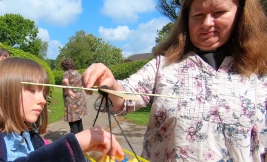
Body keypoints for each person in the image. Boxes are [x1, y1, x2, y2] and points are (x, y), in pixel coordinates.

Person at [82, 0, 267, 161]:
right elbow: (125, 97)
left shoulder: (260, 73)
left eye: (219, 12)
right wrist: (111, 84)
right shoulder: (164, 65)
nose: (207, 23)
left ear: (242, 14)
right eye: (198, 14)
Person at [0, 57, 124, 161]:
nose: (43, 100)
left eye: (44, 93)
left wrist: (82, 150)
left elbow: (44, 153)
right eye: (32, 90)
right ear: (5, 91)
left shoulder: (30, 136)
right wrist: (72, 145)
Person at [61, 58, 88, 134]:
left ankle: (74, 141)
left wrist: (68, 91)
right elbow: (82, 84)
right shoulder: (78, 73)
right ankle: (81, 139)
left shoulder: (66, 73)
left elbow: (65, 81)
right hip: (80, 98)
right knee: (79, 120)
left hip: (72, 99)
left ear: (64, 66)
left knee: (73, 122)